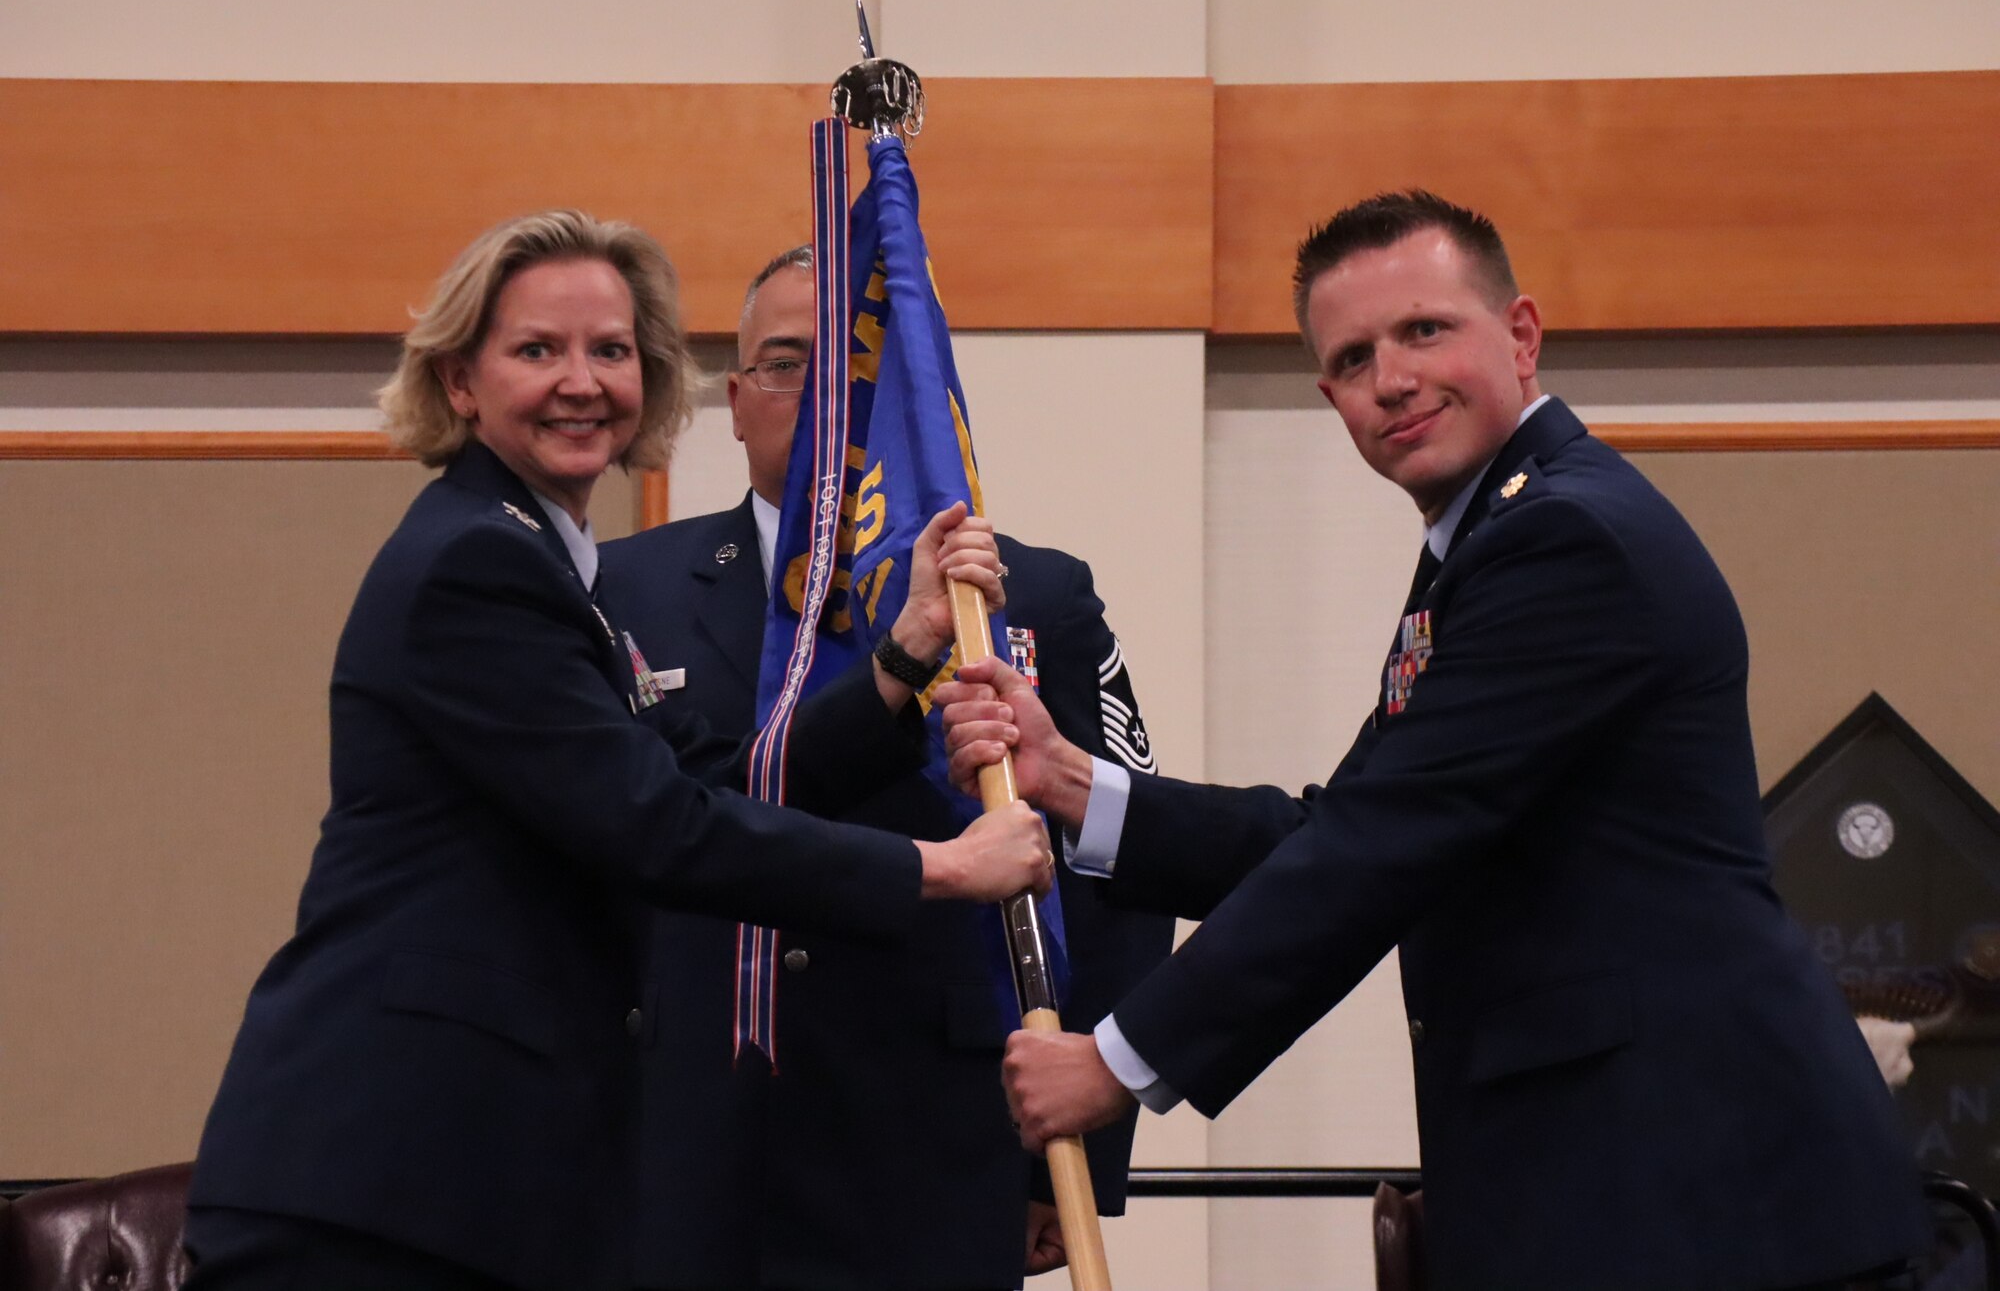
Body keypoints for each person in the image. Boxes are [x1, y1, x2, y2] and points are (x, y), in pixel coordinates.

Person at [942, 191, 1932, 1288]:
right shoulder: (1492, 538)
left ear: (1518, 333)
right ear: (1331, 396)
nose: (1392, 378)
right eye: (1355, 357)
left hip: (1705, 1201)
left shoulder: (1564, 539)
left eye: (1424, 330)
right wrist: (1075, 784)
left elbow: (1376, 848)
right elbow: (1345, 826)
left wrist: (1117, 1060)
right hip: (1626, 1197)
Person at [181, 210, 1052, 1291]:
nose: (582, 382)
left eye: (611, 350)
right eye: (536, 350)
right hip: (383, 1181)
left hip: (475, 1180)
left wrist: (904, 652)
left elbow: (723, 778)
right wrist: (944, 868)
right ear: (460, 381)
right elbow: (659, 826)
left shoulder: (552, 565)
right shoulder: (473, 567)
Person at [596, 246, 1174, 1290]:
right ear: (731, 401)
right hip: (686, 1138)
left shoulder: (1030, 596)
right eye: (788, 364)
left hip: (941, 1137)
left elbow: (1116, 876)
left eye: (865, 366)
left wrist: (1079, 1150)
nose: (828, 394)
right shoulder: (622, 587)